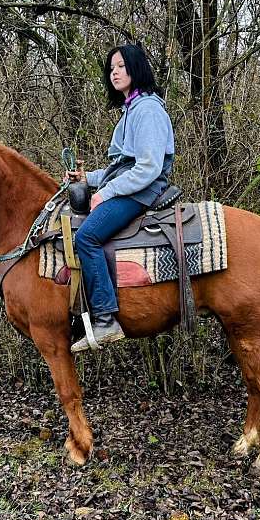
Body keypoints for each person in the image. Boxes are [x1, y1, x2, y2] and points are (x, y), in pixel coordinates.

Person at [65, 43, 175, 353]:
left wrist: (105, 193)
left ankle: (105, 319)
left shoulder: (149, 110)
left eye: (122, 66)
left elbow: (148, 167)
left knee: (86, 237)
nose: (114, 72)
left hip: (143, 191)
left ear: (137, 68)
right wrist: (88, 179)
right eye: (111, 68)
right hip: (130, 185)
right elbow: (119, 167)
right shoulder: (130, 110)